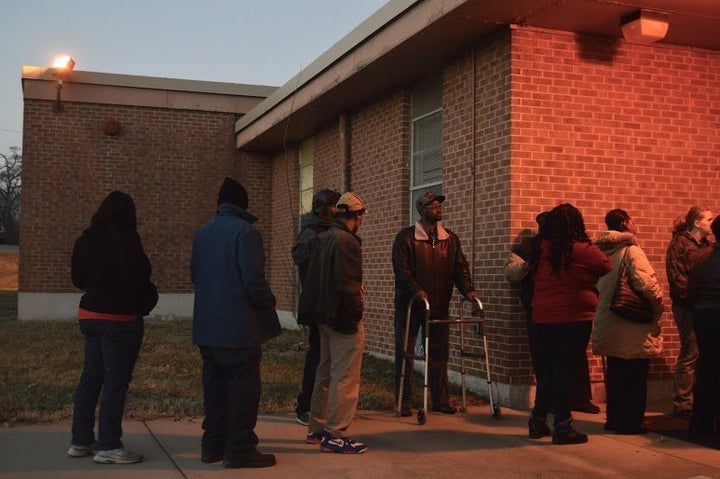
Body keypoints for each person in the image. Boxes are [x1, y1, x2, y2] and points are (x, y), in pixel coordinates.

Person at [191, 177, 281, 469]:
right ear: (243, 205)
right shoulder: (246, 233)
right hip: (239, 329)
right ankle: (240, 447)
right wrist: (269, 307)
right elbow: (253, 280)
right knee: (243, 390)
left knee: (214, 388)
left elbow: (196, 276)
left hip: (207, 328)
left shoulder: (202, 234)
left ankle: (212, 445)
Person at [69, 191, 158, 464]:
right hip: (119, 320)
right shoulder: (127, 240)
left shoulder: (86, 238)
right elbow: (138, 279)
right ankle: (108, 443)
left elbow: (77, 278)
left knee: (91, 377)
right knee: (115, 381)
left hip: (89, 314)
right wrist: (147, 301)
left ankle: (80, 440)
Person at [528, 203, 612, 445]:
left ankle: (538, 421)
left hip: (542, 318)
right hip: (573, 319)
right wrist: (586, 279)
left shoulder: (540, 248)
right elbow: (606, 264)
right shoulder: (581, 249)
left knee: (547, 373)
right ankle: (563, 427)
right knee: (565, 373)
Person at [392, 190, 479, 417]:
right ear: (421, 210)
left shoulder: (450, 239)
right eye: (432, 205)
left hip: (439, 305)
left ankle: (440, 401)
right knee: (405, 351)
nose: (438, 208)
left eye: (439, 204)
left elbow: (460, 268)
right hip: (410, 306)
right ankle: (404, 402)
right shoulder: (406, 238)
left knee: (440, 353)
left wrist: (468, 290)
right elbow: (402, 271)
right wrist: (416, 291)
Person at [504, 212, 600, 415]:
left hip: (565, 310)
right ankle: (554, 410)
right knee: (545, 361)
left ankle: (576, 399)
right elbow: (511, 271)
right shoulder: (531, 247)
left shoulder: (567, 246)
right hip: (539, 308)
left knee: (570, 360)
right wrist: (529, 266)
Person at [298, 191, 368, 454]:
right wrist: (357, 311)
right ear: (356, 216)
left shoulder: (324, 237)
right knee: (345, 376)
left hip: (323, 317)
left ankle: (316, 430)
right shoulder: (347, 241)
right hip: (342, 319)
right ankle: (335, 434)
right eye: (361, 214)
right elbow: (348, 283)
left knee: (324, 372)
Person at [592, 209, 663, 435]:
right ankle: (631, 423)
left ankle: (614, 420)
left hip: (608, 318)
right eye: (632, 219)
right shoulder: (631, 250)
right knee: (634, 376)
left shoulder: (599, 251)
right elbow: (646, 284)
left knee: (615, 374)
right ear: (625, 223)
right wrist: (657, 306)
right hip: (631, 320)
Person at [291, 189, 340, 426]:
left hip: (334, 304)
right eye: (332, 206)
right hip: (316, 303)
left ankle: (326, 405)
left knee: (333, 359)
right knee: (317, 357)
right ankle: (306, 406)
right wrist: (319, 241)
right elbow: (298, 255)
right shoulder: (310, 230)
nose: (335, 210)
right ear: (322, 207)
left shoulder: (335, 230)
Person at [666, 206, 713, 418]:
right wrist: (695, 299)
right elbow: (678, 279)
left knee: (702, 353)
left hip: (703, 306)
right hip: (687, 306)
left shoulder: (707, 246)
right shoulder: (680, 244)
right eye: (709, 219)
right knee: (690, 352)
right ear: (697, 222)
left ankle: (697, 399)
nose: (711, 223)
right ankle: (682, 402)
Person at [686, 215, 720, 436]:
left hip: (704, 316)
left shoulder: (701, 262)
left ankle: (701, 423)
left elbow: (691, 294)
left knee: (707, 369)